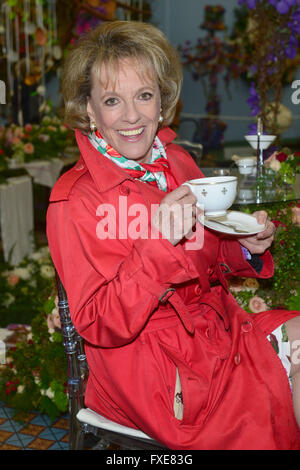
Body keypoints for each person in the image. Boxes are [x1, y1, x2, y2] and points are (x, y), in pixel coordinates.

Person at [46, 20, 300, 450]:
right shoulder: (75, 199)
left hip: (214, 332)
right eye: (112, 100)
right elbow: (99, 322)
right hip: (148, 368)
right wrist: (159, 243)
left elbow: (208, 251)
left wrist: (245, 249)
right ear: (89, 109)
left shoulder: (177, 162)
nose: (131, 116)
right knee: (273, 392)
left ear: (161, 99)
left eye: (144, 96)